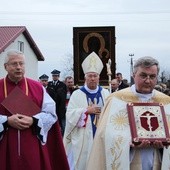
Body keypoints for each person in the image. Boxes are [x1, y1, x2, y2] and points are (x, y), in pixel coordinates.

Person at [87, 56, 170, 170]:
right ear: (134, 75)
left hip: (157, 160)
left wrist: (163, 144)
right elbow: (105, 135)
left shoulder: (166, 102)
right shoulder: (116, 100)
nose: (147, 80)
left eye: (152, 76)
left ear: (157, 78)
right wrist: (130, 142)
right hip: (129, 162)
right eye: (143, 75)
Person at [0, 49, 69, 170]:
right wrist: (6, 120)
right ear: (5, 66)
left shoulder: (37, 87)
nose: (18, 67)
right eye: (14, 64)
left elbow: (51, 114)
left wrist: (34, 120)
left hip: (31, 144)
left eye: (21, 63)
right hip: (4, 144)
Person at [63, 51, 110, 170]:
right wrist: (86, 111)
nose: (93, 78)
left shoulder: (106, 93)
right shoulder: (77, 94)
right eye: (90, 76)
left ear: (99, 77)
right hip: (83, 137)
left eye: (95, 76)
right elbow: (69, 115)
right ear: (85, 77)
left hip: (101, 134)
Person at [47, 69, 67, 136]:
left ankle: (61, 135)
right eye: (53, 76)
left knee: (61, 122)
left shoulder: (62, 85)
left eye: (56, 76)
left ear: (58, 76)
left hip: (60, 107)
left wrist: (62, 108)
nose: (55, 77)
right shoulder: (49, 84)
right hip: (51, 106)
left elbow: (63, 97)